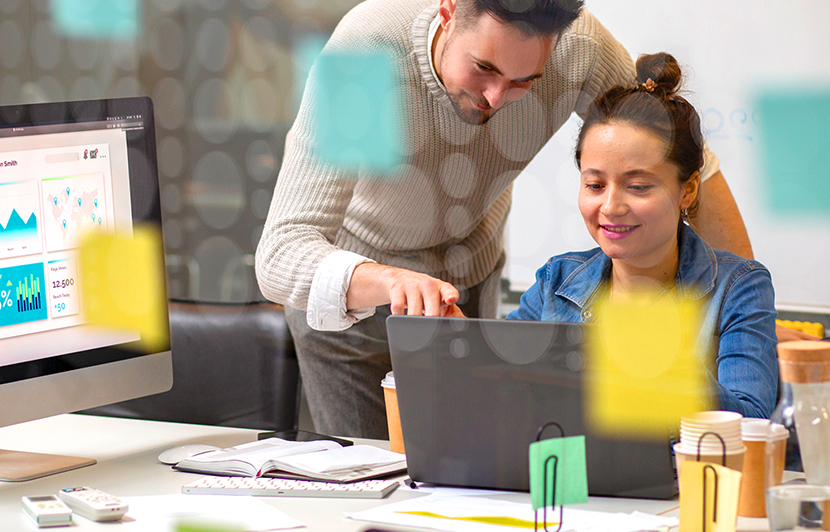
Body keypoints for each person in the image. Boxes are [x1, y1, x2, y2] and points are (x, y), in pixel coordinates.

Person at [255, 0, 755, 438]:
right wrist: (390, 280)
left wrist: (739, 309)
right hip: (354, 302)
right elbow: (282, 252)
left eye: (523, 82)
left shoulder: (579, 49)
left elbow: (684, 161)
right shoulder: (367, 56)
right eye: (483, 68)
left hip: (469, 284)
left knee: (473, 468)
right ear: (448, 12)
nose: (495, 97)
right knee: (371, 485)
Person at [506, 53, 778, 418]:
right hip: (570, 472)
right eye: (595, 184)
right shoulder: (555, 281)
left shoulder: (738, 288)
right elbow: (498, 381)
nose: (611, 206)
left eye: (637, 186)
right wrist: (451, 335)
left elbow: (751, 422)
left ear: (688, 189)